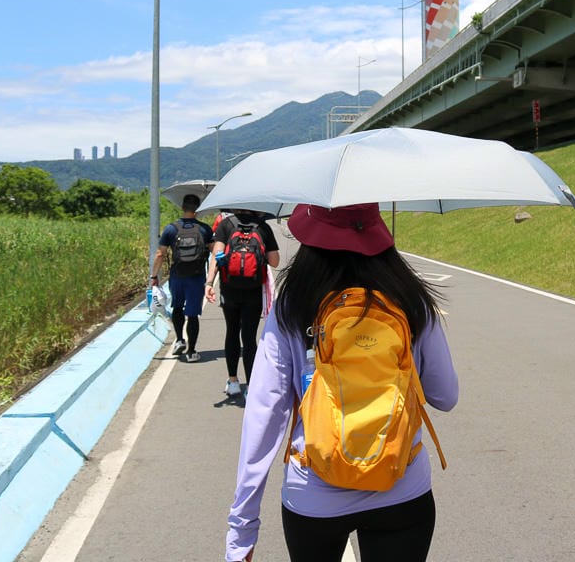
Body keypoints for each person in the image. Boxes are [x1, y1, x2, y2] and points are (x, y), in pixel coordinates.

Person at [225, 203, 458, 562]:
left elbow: (265, 413)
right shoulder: (409, 297)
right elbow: (445, 396)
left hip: (314, 493)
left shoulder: (292, 304)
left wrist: (242, 526)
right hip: (402, 486)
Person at [206, 209, 281, 397]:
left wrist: (209, 283)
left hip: (229, 289)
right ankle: (250, 386)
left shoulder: (226, 225)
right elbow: (275, 261)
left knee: (232, 331)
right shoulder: (262, 227)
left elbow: (216, 255)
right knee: (249, 338)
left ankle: (233, 381)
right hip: (253, 291)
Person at [150, 193, 213, 362]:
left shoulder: (171, 229)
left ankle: (179, 340)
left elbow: (159, 254)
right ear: (197, 210)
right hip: (196, 277)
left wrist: (154, 276)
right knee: (192, 314)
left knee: (177, 307)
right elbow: (216, 252)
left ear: (182, 207)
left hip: (177, 276)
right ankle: (192, 351)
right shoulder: (205, 229)